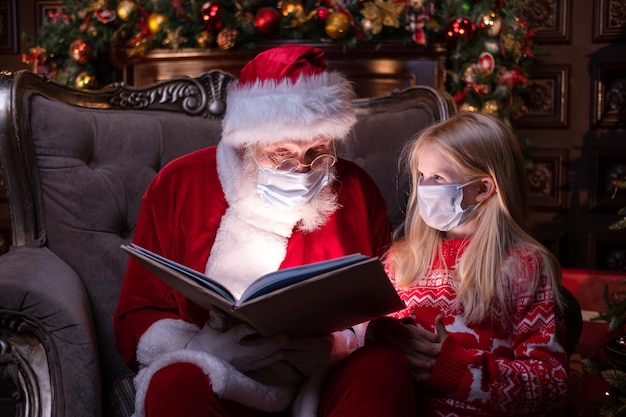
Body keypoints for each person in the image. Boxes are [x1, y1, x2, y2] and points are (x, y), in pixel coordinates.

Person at [113, 44, 414, 417]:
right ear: (245, 144)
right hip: (219, 369)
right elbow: (137, 315)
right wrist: (203, 351)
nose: (303, 170)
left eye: (317, 151)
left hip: (322, 374)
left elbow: (388, 298)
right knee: (176, 382)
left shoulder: (356, 187)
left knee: (384, 368)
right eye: (281, 154)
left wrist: (343, 341)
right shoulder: (178, 183)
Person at [322, 112, 570, 416]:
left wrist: (455, 369)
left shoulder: (525, 267)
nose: (424, 189)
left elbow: (550, 385)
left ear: (482, 189)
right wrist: (378, 334)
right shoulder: (403, 260)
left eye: (438, 178)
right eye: (421, 176)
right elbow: (367, 341)